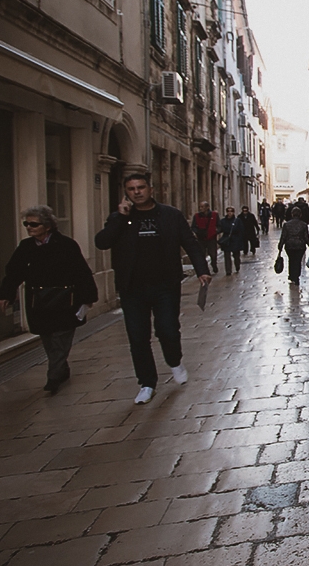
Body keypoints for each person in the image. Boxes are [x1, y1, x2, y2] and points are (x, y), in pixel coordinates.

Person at [95, 172, 210, 405]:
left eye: (140, 187)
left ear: (150, 189)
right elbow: (102, 242)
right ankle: (147, 383)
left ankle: (174, 361)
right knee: (138, 337)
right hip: (132, 288)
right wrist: (120, 217)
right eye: (131, 189)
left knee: (168, 329)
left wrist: (202, 269)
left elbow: (190, 242)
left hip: (165, 285)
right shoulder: (119, 218)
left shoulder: (170, 215)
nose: (136, 192)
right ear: (126, 193)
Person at [0, 205, 99, 392]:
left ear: (48, 226)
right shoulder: (26, 247)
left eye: (34, 224)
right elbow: (14, 272)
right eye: (27, 224)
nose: (29, 227)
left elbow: (82, 272)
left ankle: (54, 376)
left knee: (60, 338)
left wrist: (88, 298)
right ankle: (61, 368)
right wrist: (5, 294)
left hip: (64, 301)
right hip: (39, 302)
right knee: (48, 339)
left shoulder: (66, 245)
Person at [277, 206, 309, 286]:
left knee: (291, 260)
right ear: (300, 214)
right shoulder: (303, 225)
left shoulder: (286, 225)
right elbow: (306, 237)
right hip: (300, 246)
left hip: (289, 246)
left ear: (292, 214)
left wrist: (280, 246)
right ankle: (296, 276)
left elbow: (283, 237)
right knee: (298, 261)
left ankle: (291, 275)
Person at [191, 201, 220, 274]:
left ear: (207, 207)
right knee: (202, 255)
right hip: (201, 238)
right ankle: (205, 269)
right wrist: (197, 232)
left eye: (202, 207)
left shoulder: (214, 215)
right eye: (200, 207)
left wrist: (216, 231)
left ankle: (214, 264)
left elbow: (219, 225)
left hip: (211, 238)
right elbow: (193, 227)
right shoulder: (196, 216)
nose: (200, 208)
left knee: (213, 254)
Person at [217, 206, 243, 275]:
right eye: (228, 211)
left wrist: (240, 240)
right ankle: (228, 270)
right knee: (227, 256)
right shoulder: (223, 221)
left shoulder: (237, 220)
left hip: (235, 240)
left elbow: (241, 230)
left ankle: (237, 265)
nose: (229, 213)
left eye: (231, 211)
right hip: (227, 240)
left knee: (236, 255)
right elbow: (220, 229)